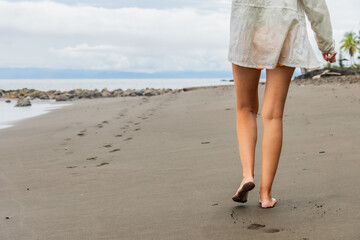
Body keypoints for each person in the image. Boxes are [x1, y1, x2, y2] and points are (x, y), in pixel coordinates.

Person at [228, 0, 337, 208]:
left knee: (246, 109)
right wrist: (326, 44)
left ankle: (247, 175)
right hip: (285, 28)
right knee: (272, 115)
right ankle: (266, 195)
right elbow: (315, 4)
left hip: (247, 27)